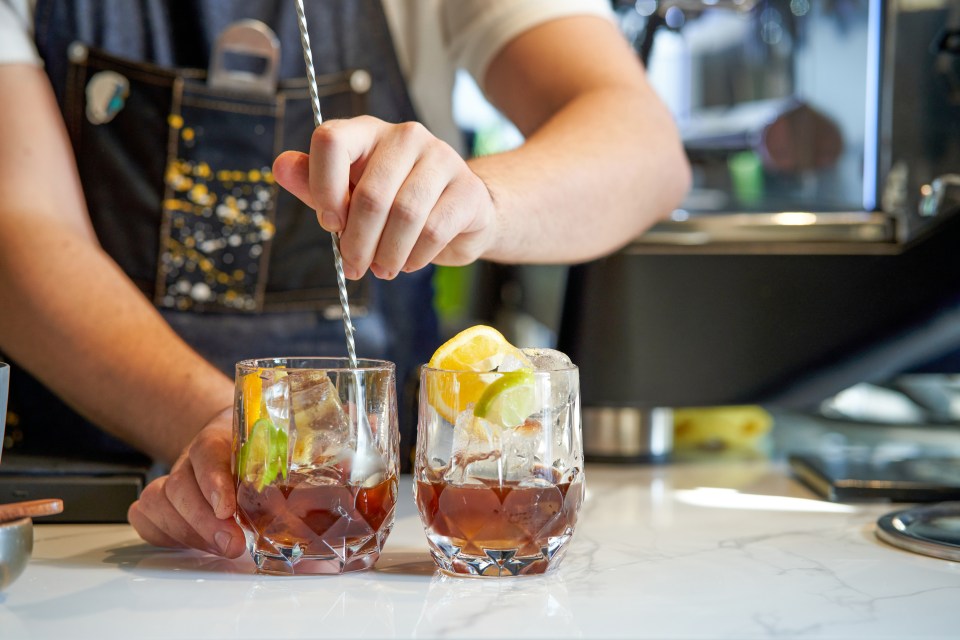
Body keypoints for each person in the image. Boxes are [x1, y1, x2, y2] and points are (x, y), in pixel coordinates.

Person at [0, 0, 690, 557]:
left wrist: (480, 201)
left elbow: (643, 144)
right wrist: (232, 428)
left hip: (364, 522)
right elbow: (19, 231)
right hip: (83, 523)